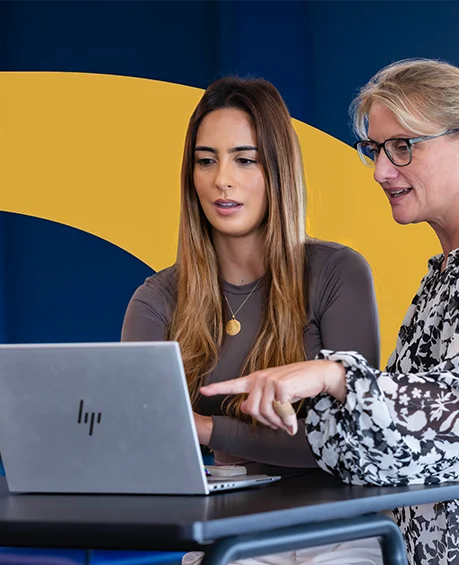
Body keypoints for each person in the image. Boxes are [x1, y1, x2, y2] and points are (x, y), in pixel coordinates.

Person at [201, 59, 459, 564]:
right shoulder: (451, 266)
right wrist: (254, 427)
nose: (381, 171)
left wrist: (335, 376)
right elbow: (395, 445)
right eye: (375, 150)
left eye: (403, 147)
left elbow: (458, 416)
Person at [121, 76, 383, 564]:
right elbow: (142, 439)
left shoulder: (337, 273)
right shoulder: (156, 300)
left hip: (339, 531)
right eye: (206, 160)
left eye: (245, 159)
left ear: (277, 170)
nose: (223, 179)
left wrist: (205, 429)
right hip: (230, 533)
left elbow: (356, 440)